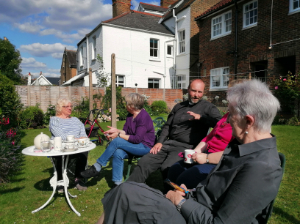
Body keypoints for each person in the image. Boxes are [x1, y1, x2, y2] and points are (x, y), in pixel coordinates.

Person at [98, 79, 283, 224]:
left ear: (248, 121)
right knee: (124, 190)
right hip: (190, 200)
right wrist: (190, 192)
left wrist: (180, 201)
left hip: (189, 214)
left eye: (231, 115)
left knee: (123, 195)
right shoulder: (241, 149)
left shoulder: (262, 168)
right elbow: (214, 192)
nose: (227, 121)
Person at [127, 79, 222, 186]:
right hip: (168, 143)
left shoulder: (208, 107)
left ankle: (169, 197)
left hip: (186, 147)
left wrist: (202, 118)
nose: (196, 95)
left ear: (203, 92)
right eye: (194, 91)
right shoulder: (179, 106)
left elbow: (220, 124)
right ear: (188, 90)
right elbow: (167, 125)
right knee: (144, 162)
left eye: (200, 92)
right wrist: (160, 142)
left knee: (168, 168)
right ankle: (129, 189)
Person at [81, 93, 155, 186]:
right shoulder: (130, 115)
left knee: (116, 141)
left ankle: (97, 166)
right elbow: (125, 132)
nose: (125, 105)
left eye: (126, 103)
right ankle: (118, 184)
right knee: (118, 153)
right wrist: (116, 131)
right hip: (134, 144)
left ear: (132, 106)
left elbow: (137, 139)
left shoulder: (143, 117)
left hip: (144, 146)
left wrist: (118, 135)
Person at [167, 112, 234, 189]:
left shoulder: (241, 122)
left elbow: (234, 152)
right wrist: (195, 152)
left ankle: (183, 199)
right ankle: (169, 195)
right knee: (175, 170)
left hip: (219, 159)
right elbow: (209, 137)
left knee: (186, 179)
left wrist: (207, 158)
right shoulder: (227, 115)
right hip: (206, 153)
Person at [49, 97, 88, 192]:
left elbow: (83, 133)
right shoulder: (54, 120)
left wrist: (82, 138)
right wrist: (76, 139)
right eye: (66, 106)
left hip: (77, 146)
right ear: (60, 108)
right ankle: (60, 181)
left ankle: (78, 179)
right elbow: (61, 135)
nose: (70, 108)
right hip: (62, 146)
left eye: (70, 106)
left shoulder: (76, 119)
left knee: (84, 151)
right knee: (59, 154)